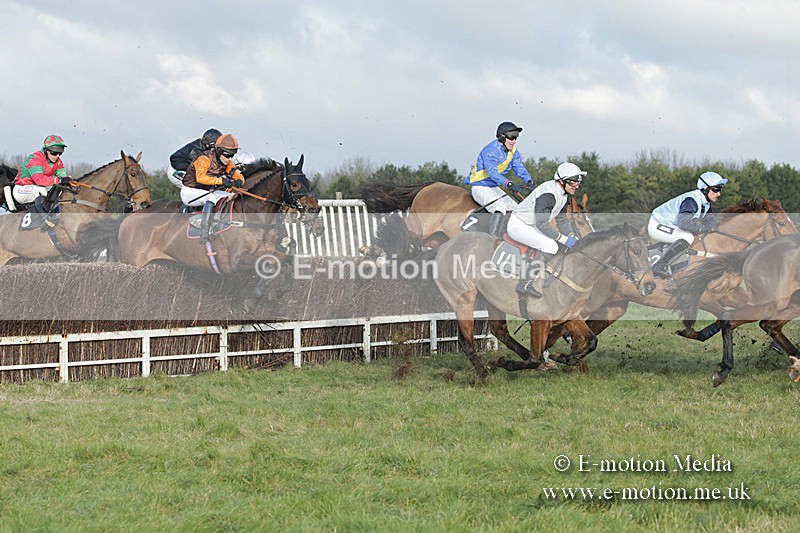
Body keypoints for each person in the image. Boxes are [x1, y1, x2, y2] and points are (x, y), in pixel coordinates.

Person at [506, 162, 586, 298]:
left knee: (558, 245)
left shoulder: (564, 194)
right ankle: (525, 283)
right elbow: (542, 223)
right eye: (573, 183)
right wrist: (564, 239)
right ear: (562, 181)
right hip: (519, 225)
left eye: (578, 183)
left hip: (531, 225)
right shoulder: (549, 195)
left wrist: (572, 235)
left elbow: (562, 220)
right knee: (550, 246)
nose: (576, 186)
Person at [648, 171, 727, 276]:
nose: (719, 194)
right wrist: (705, 228)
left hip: (669, 225)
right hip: (657, 224)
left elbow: (711, 222)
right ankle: (660, 265)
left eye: (720, 190)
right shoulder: (691, 201)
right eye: (716, 190)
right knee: (687, 237)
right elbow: (685, 224)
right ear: (705, 189)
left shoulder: (705, 202)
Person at [465, 121, 534, 236]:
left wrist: (528, 181)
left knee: (516, 209)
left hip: (493, 187)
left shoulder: (513, 151)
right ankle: (492, 238)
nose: (514, 141)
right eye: (511, 137)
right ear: (502, 137)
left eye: (516, 137)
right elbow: (492, 172)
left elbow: (519, 167)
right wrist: (508, 184)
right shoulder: (490, 151)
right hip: (480, 186)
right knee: (500, 206)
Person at [181, 133, 245, 242]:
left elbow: (238, 175)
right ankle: (205, 232)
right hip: (189, 191)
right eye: (227, 155)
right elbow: (200, 178)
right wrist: (221, 181)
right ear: (219, 151)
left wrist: (239, 181)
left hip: (206, 191)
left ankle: (219, 222)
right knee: (210, 198)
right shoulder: (204, 159)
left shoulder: (227, 163)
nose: (229, 159)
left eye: (232, 156)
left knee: (229, 196)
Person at [13, 134, 72, 218]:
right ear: (46, 150)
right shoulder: (35, 159)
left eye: (60, 152)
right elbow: (39, 180)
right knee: (41, 190)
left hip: (39, 188)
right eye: (54, 152)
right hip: (21, 189)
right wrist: (59, 180)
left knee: (61, 190)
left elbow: (63, 178)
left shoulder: (58, 162)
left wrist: (69, 181)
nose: (57, 156)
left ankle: (59, 214)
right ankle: (45, 218)